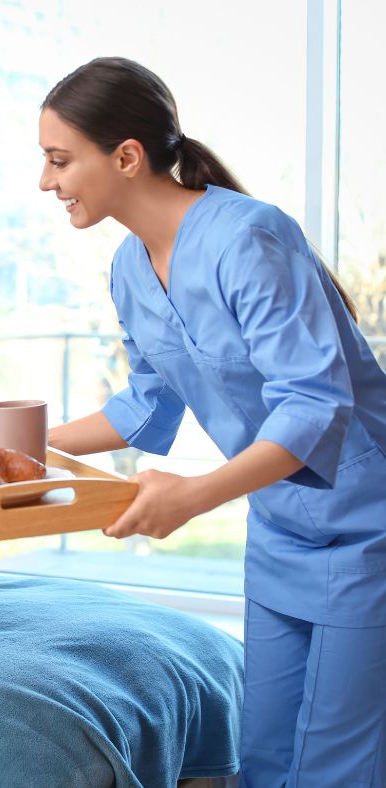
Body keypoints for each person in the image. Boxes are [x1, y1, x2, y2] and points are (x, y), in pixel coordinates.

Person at [38, 57, 386, 786]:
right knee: (261, 755)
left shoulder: (248, 238)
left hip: (367, 526)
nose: (47, 181)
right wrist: (7, 443)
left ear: (126, 157)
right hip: (279, 530)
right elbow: (145, 403)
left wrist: (193, 496)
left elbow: (314, 403)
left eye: (60, 160)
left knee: (334, 766)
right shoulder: (129, 268)